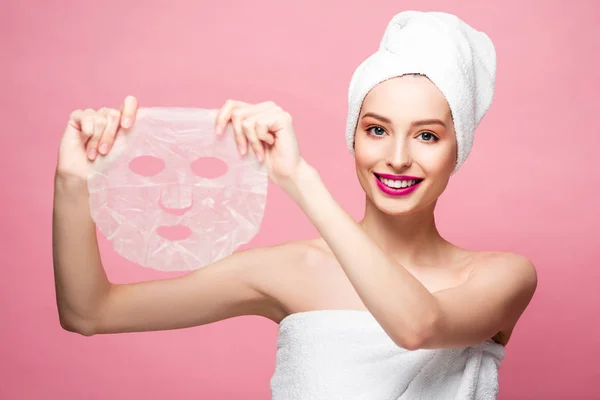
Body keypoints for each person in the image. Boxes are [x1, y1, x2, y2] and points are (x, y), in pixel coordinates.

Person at [53, 10, 537, 399]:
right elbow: (89, 312)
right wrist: (74, 179)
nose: (396, 158)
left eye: (427, 135)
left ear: (459, 149)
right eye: (376, 129)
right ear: (354, 137)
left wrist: (300, 179)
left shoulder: (501, 276)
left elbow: (417, 325)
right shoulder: (286, 270)